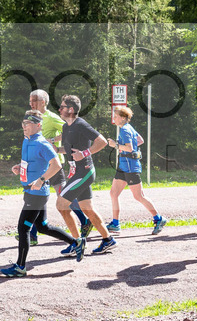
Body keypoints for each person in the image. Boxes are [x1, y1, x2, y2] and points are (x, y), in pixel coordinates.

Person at [1, 111, 86, 277]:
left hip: (37, 194)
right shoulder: (27, 141)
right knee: (42, 226)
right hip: (30, 192)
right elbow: (32, 162)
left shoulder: (42, 143)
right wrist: (20, 167)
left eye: (28, 124)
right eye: (23, 123)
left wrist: (41, 179)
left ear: (38, 126)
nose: (24, 126)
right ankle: (76, 242)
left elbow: (56, 166)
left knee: (23, 228)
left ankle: (20, 267)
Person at [27, 89, 91, 245]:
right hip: (38, 164)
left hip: (53, 163)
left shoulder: (51, 117)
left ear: (43, 102)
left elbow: (68, 129)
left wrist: (53, 140)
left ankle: (84, 220)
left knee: (62, 195)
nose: (30, 103)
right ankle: (33, 234)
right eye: (30, 100)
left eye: (33, 101)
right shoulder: (32, 116)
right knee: (37, 194)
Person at [55, 94, 116, 255]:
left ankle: (76, 243)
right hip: (75, 172)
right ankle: (108, 239)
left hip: (84, 172)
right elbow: (67, 150)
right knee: (87, 208)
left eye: (62, 107)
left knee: (61, 205)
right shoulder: (66, 127)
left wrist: (85, 153)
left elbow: (101, 141)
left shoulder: (81, 124)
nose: (59, 109)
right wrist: (55, 149)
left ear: (71, 109)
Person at [106, 106, 166, 234]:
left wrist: (115, 145)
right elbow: (140, 140)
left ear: (122, 118)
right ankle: (115, 224)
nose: (114, 118)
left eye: (116, 116)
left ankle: (158, 218)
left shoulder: (125, 130)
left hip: (130, 168)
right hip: (123, 166)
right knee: (113, 194)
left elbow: (130, 148)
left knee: (139, 196)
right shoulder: (129, 128)